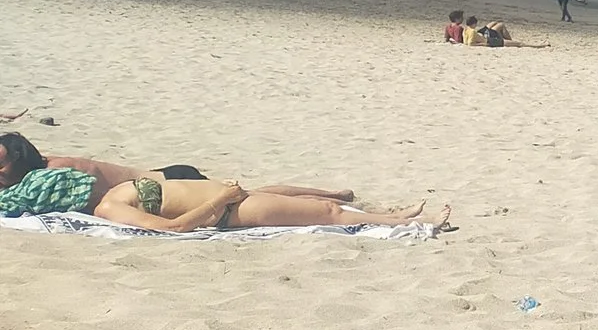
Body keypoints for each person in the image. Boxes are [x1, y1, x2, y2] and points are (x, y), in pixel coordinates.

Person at [0, 131, 358, 215]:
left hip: (165, 185)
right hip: (162, 177)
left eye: (2, 164)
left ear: (21, 162)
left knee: (254, 197)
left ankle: (327, 197)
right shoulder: (46, 162)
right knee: (253, 194)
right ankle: (332, 195)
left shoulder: (57, 173)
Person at [90, 175, 428, 233]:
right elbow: (171, 227)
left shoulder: (115, 190)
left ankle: (335, 194)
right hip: (226, 211)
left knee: (284, 195)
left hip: (228, 198)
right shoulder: (108, 208)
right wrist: (219, 199)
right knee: (324, 214)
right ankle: (394, 220)